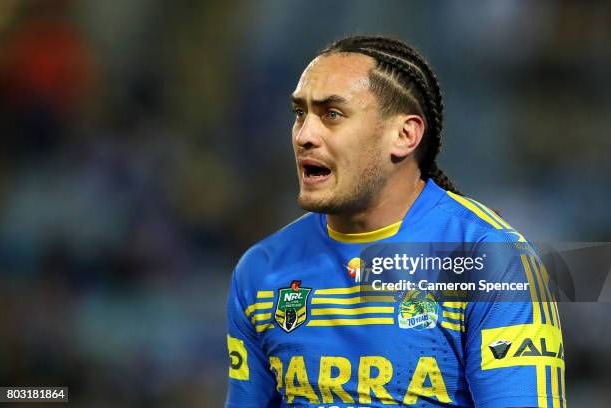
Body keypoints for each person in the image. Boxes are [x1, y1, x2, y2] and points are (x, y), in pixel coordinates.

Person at [225, 35, 565, 407]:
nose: (304, 135)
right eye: (300, 114)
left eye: (332, 114)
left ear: (404, 135)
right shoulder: (261, 270)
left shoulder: (492, 260)